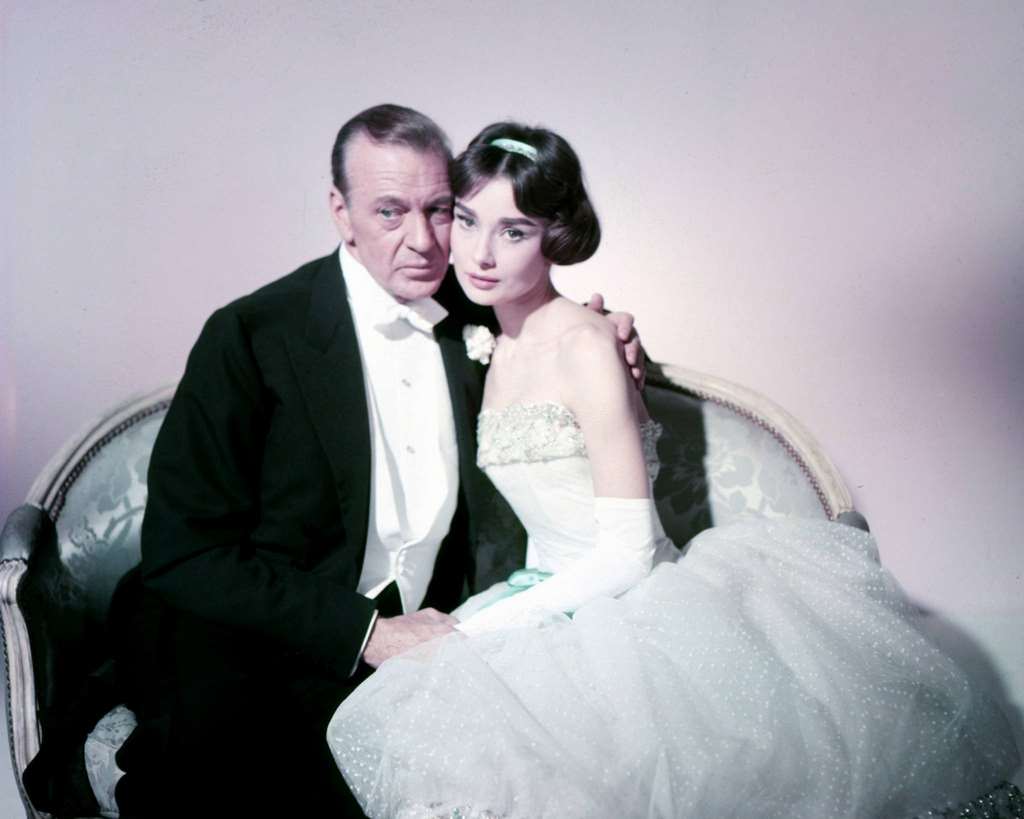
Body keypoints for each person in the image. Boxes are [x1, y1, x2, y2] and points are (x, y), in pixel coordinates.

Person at [326, 122, 1021, 819]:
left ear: (555, 236)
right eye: (469, 220)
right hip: (545, 594)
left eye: (514, 230)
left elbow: (627, 552)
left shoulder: (587, 345)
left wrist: (482, 632)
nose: (477, 252)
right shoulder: (484, 342)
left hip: (630, 610)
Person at [106, 105, 643, 818]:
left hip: (435, 635)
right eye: (390, 212)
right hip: (268, 636)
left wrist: (621, 340)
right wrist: (364, 633)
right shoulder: (252, 333)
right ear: (340, 211)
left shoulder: (480, 309)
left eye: (440, 210)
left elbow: (560, 336)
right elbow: (183, 552)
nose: (423, 241)